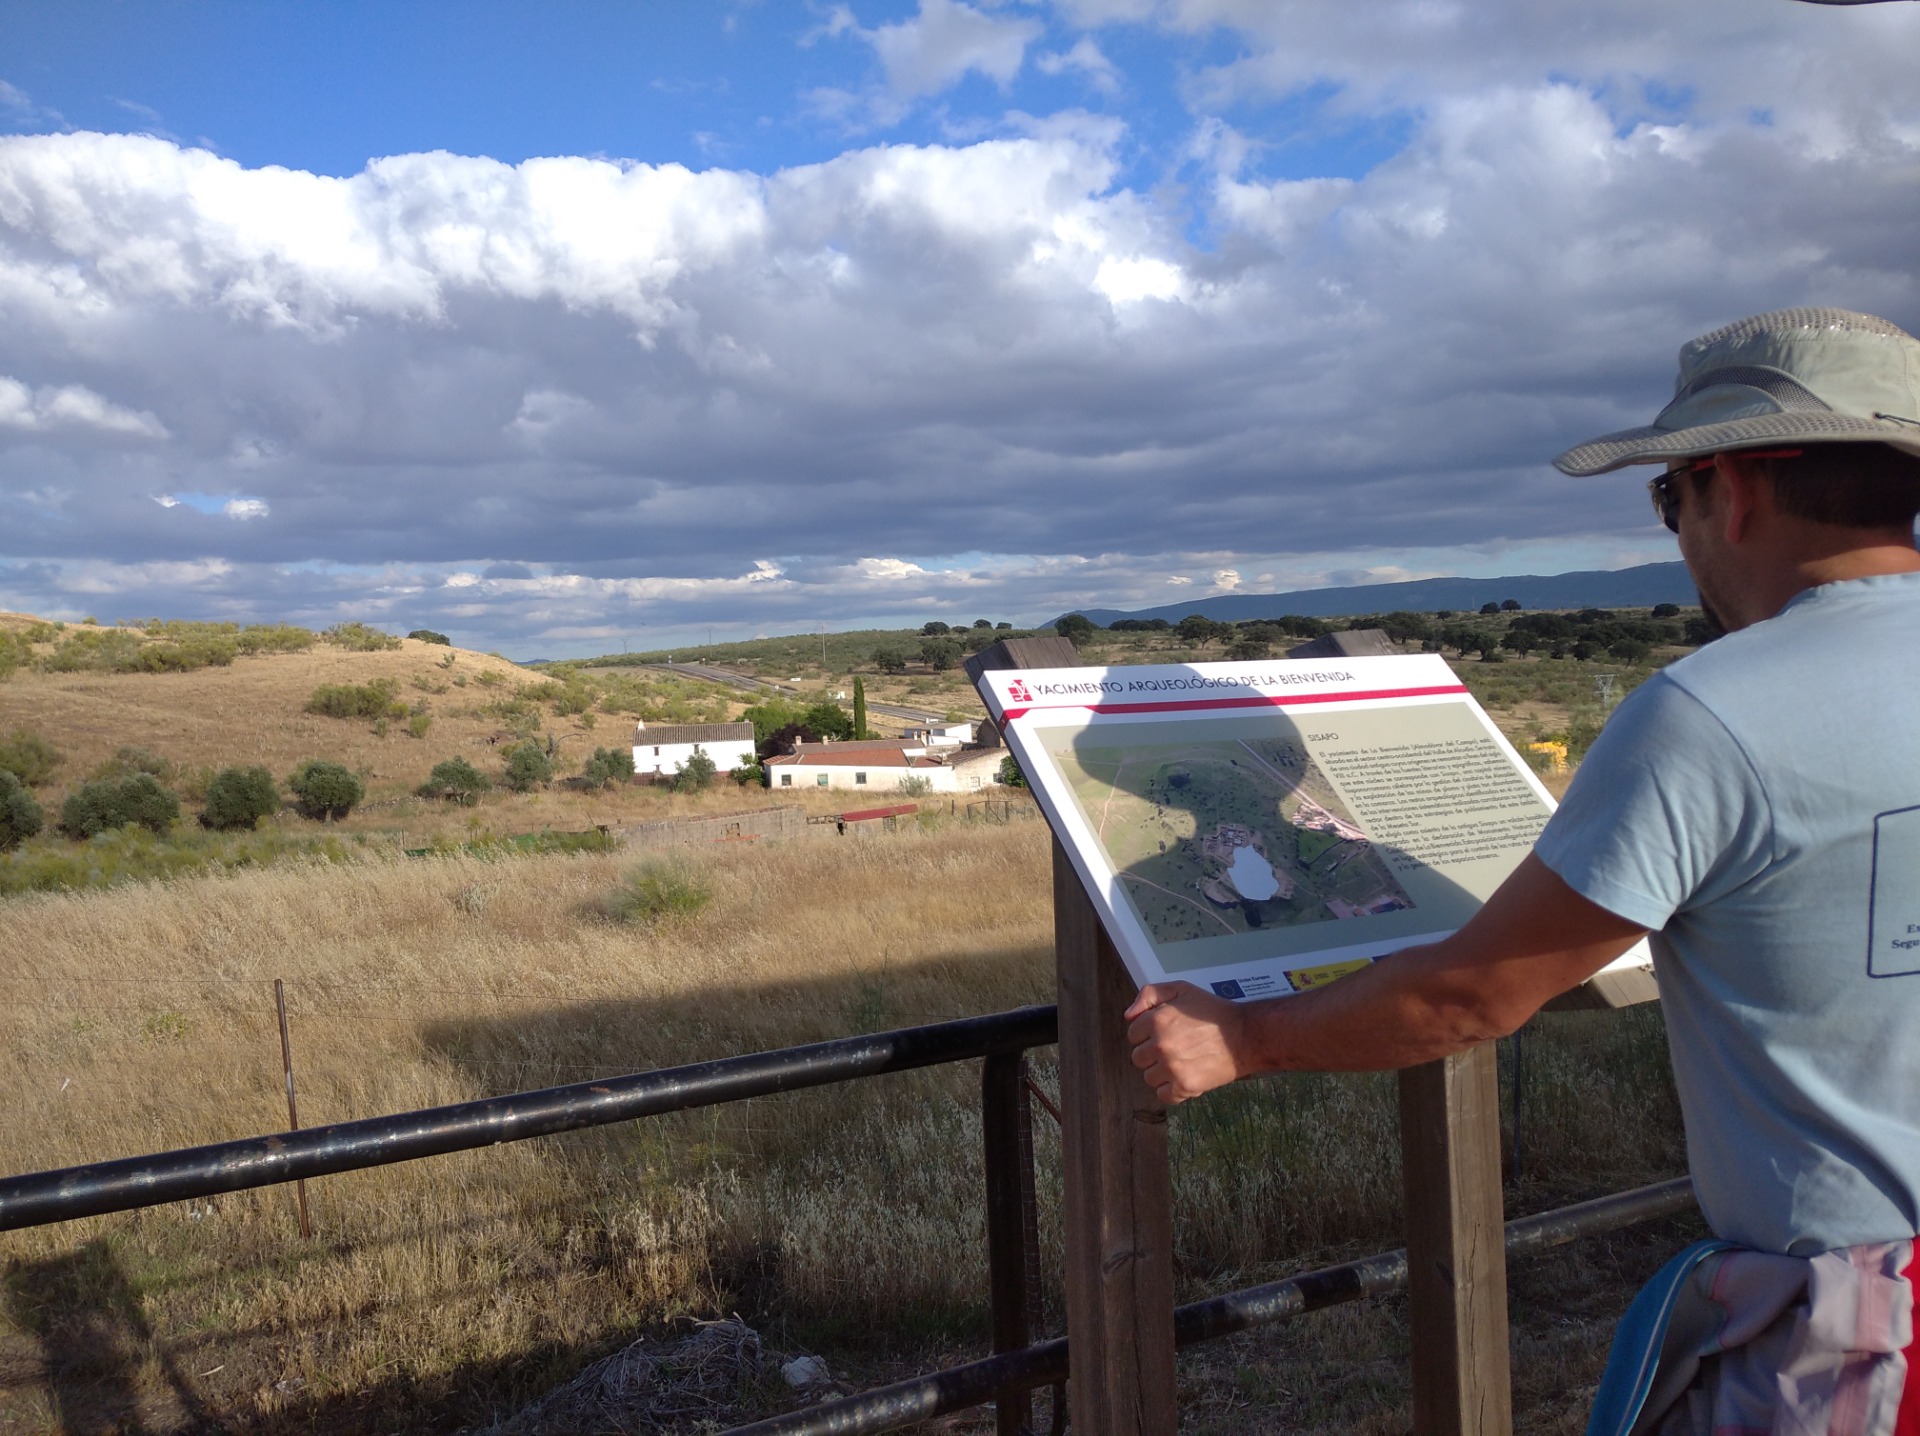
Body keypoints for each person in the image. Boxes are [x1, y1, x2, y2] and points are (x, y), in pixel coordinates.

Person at [1124, 307, 1920, 1435]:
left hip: (1864, 1333)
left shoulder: (1709, 713)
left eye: (1669, 498)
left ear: (1733, 486)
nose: (1680, 534)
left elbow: (1472, 995)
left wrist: (1245, 1037)